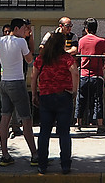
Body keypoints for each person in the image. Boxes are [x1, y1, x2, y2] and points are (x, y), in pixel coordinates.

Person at [31, 31, 77, 174]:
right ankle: (65, 165)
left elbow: (33, 77)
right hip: (63, 96)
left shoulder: (41, 58)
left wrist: (34, 94)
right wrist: (74, 91)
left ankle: (42, 164)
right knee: (64, 133)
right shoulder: (67, 58)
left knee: (44, 132)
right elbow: (74, 72)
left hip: (46, 96)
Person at [0, 18, 38, 167]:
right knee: (26, 118)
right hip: (17, 82)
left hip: (4, 82)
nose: (25, 31)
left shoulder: (1, 40)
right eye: (24, 29)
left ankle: (5, 154)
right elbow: (29, 60)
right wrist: (28, 40)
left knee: (5, 118)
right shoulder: (20, 42)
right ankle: (34, 154)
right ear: (18, 28)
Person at [76, 17, 105, 132]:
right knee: (98, 100)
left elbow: (79, 53)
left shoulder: (81, 41)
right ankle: (99, 124)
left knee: (81, 98)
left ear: (86, 28)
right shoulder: (101, 41)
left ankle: (78, 122)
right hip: (97, 74)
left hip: (84, 74)